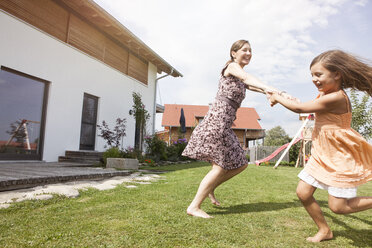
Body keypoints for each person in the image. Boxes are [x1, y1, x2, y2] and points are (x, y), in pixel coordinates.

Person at [267, 50, 372, 242]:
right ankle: (325, 230)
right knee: (303, 192)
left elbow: (299, 109)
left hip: (340, 155)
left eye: (318, 74)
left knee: (338, 208)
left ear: (337, 74)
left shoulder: (337, 97)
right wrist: (286, 98)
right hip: (322, 153)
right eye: (312, 75)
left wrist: (277, 98)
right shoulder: (324, 94)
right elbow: (303, 106)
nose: (314, 79)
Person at [182, 40, 290, 218]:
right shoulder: (232, 67)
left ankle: (210, 187)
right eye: (244, 50)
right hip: (216, 122)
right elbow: (248, 79)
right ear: (233, 53)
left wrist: (277, 93)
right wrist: (269, 88)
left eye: (250, 51)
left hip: (225, 124)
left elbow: (255, 86)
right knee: (220, 167)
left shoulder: (240, 78)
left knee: (240, 163)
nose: (248, 53)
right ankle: (194, 206)